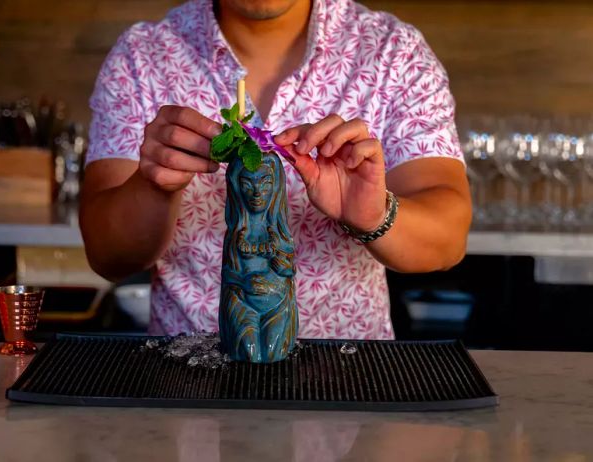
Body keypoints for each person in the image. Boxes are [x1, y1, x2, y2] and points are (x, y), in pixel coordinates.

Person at [80, 0, 472, 338]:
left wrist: (373, 214)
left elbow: (448, 239)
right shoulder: (142, 56)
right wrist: (153, 186)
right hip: (187, 381)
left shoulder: (393, 52)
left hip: (349, 383)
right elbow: (107, 255)